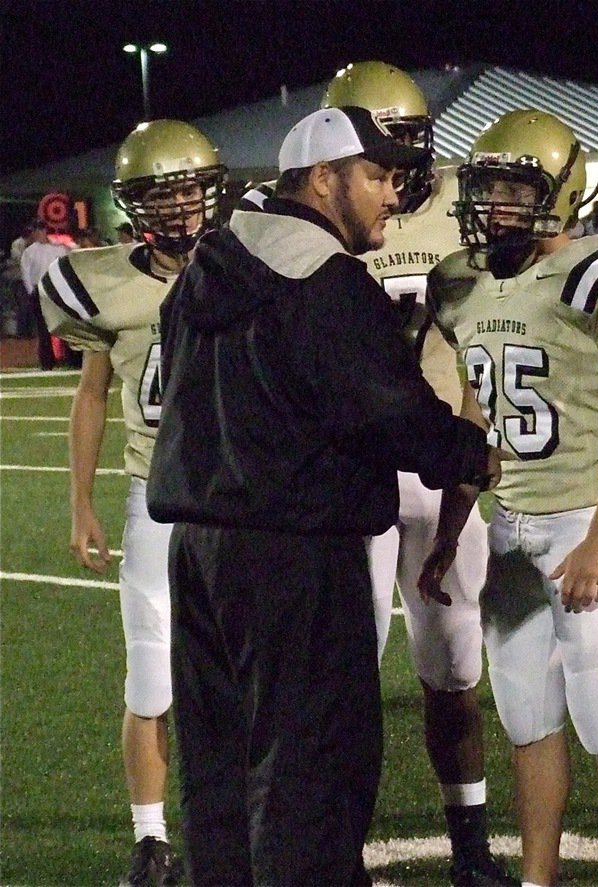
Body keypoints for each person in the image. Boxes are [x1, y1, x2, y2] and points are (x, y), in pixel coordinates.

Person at [145, 105, 503, 886]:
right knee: (313, 764)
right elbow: (384, 410)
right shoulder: (324, 281)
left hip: (200, 552)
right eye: (374, 176)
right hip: (296, 552)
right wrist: (468, 449)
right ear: (321, 180)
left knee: (222, 765)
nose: (390, 194)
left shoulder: (212, 261)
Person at [425, 109, 598, 887]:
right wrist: (451, 530)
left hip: (583, 522)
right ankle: (537, 879)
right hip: (509, 525)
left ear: (559, 191)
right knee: (527, 723)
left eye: (513, 189)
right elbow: (474, 415)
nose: (494, 205)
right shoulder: (462, 283)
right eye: (486, 188)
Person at [320, 60, 515, 887]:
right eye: (376, 137)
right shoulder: (314, 227)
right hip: (348, 473)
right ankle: (340, 846)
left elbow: (483, 361)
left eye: (404, 135)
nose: (395, 155)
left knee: (453, 668)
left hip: (435, 471)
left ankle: (469, 844)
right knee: (343, 680)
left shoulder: (459, 227)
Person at [38, 119, 227, 887]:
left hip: (237, 499)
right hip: (156, 493)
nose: (181, 209)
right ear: (134, 206)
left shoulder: (249, 260)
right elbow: (91, 394)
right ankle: (150, 837)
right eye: (163, 195)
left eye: (189, 192)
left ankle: (236, 818)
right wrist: (80, 501)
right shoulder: (103, 280)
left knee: (242, 675)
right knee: (151, 675)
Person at [21, 220, 69, 368]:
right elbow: (26, 273)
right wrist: (31, 292)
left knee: (65, 325)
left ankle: (68, 358)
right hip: (40, 289)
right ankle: (47, 361)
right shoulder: (30, 251)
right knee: (43, 328)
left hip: (55, 288)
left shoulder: (58, 249)